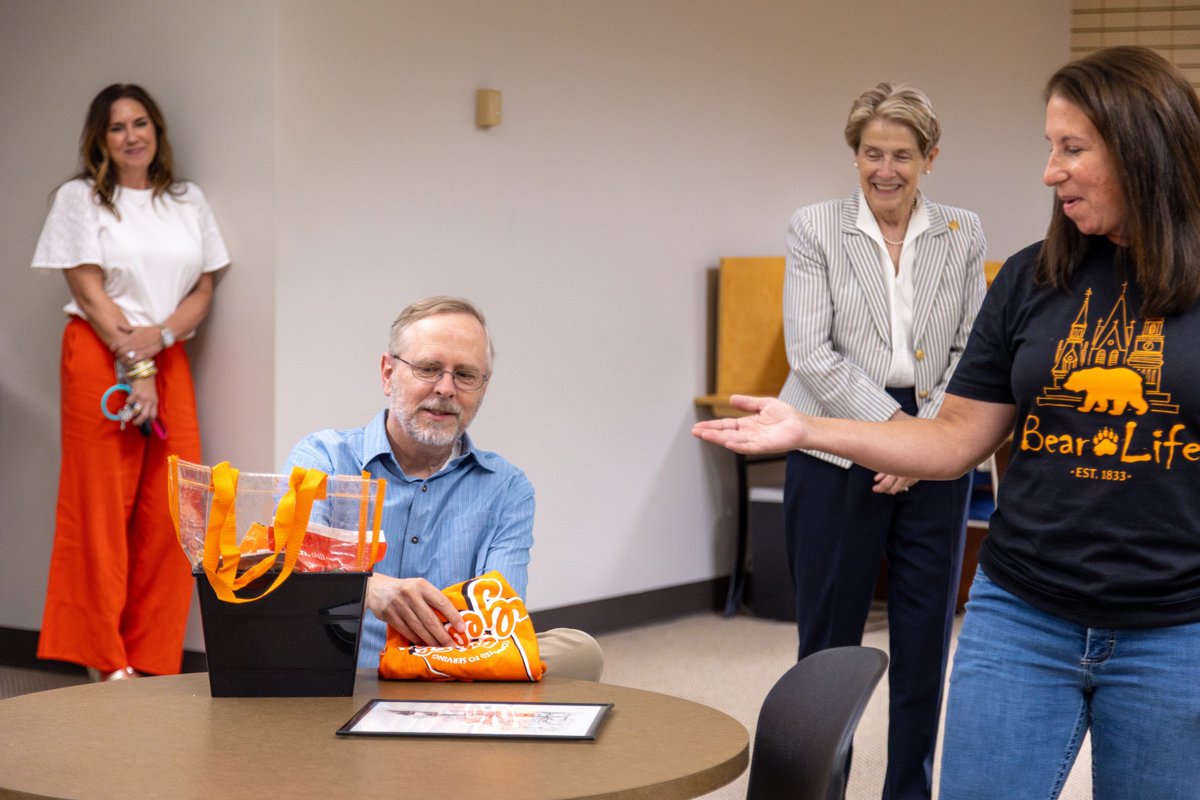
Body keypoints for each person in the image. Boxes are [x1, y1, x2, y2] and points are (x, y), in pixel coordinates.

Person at [695, 46, 1200, 799]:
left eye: (1071, 149)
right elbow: (958, 434)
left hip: (1175, 625)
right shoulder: (1035, 276)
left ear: (1140, 148)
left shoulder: (964, 237)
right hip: (1022, 610)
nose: (1049, 171)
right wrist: (808, 430)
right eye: (1048, 147)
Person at [777, 82, 986, 800]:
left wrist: (927, 439)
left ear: (930, 158)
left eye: (902, 154)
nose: (885, 169)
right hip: (835, 438)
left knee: (926, 637)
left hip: (939, 435)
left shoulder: (963, 232)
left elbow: (973, 345)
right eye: (872, 153)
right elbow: (811, 352)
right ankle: (816, 787)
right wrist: (892, 436)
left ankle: (908, 791)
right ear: (855, 154)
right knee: (830, 645)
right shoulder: (815, 227)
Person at [284, 296, 604, 681]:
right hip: (340, 673)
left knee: (580, 650)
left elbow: (497, 620)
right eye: (429, 368)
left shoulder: (507, 488)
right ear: (388, 373)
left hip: (449, 672)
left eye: (465, 375)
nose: (446, 388)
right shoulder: (325, 459)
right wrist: (369, 588)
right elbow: (286, 564)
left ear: (483, 388)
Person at [31, 84, 229, 680]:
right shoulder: (80, 198)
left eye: (141, 123)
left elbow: (204, 287)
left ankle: (151, 658)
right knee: (101, 508)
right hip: (102, 351)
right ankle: (103, 657)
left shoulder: (186, 200)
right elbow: (88, 290)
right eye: (117, 128)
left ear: (157, 130)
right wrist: (137, 363)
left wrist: (161, 340)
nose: (132, 136)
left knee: (174, 508)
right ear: (101, 139)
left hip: (165, 352)